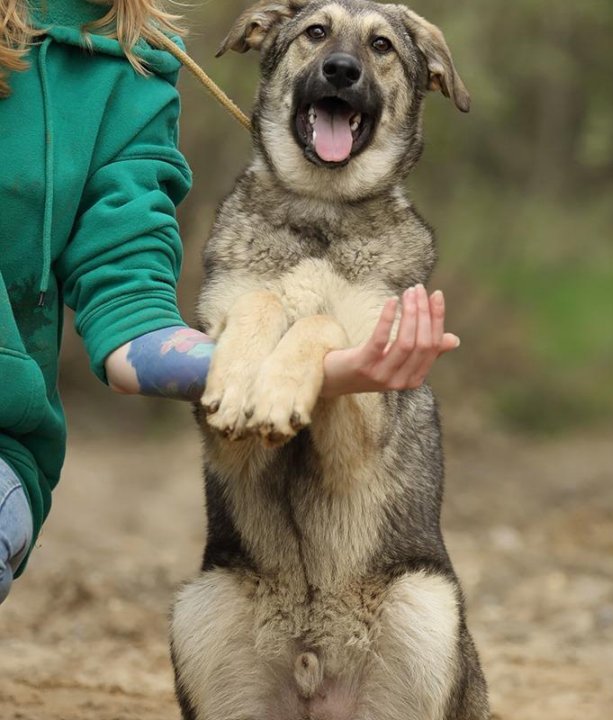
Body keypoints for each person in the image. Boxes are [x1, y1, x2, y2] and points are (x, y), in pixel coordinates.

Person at [0, 0, 459, 604]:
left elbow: (128, 313)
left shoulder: (130, 65)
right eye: (315, 35)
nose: (342, 61)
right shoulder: (244, 237)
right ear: (265, 38)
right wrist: (251, 338)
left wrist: (328, 369)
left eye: (380, 48)